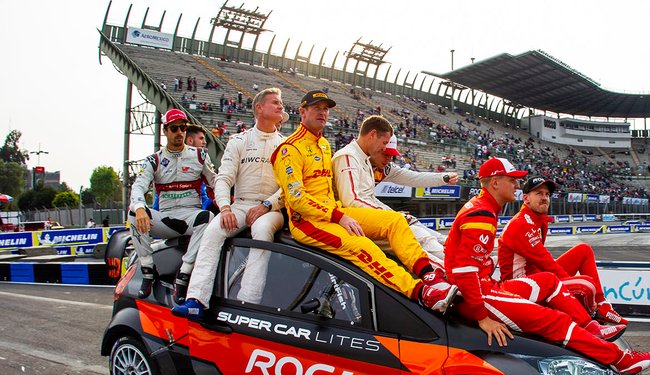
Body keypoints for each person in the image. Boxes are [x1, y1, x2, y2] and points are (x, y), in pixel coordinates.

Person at [445, 157, 650, 375]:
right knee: (556, 319)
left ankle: (592, 328)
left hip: (485, 287)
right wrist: (482, 317)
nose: (517, 186)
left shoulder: (484, 208)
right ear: (494, 182)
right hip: (478, 294)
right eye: (512, 180)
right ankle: (620, 359)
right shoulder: (482, 213)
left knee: (550, 280)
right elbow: (465, 271)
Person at [271, 90, 455, 313]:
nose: (322, 113)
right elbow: (297, 199)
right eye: (316, 108)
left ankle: (429, 276)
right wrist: (339, 216)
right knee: (363, 247)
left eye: (326, 109)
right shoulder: (288, 149)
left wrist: (337, 214)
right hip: (308, 223)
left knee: (395, 221)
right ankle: (422, 293)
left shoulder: (324, 145)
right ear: (302, 111)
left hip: (333, 213)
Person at [172, 88, 287, 318]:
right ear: (259, 108)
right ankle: (196, 299)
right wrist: (225, 207)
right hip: (241, 204)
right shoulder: (239, 140)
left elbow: (288, 187)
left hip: (271, 208)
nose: (281, 107)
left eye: (281, 103)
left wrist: (267, 204)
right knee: (214, 231)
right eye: (275, 102)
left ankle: (248, 303)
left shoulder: (286, 145)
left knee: (262, 231)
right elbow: (223, 178)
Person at [498, 177, 628, 325]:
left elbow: (542, 264)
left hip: (538, 279)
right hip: (520, 288)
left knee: (584, 250)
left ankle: (603, 306)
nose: (545, 198)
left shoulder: (537, 220)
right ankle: (591, 318)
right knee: (585, 285)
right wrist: (570, 290)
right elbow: (546, 262)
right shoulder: (521, 223)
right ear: (526, 198)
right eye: (539, 193)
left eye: (547, 194)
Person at [128, 108, 216, 300]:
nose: (179, 133)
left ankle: (183, 276)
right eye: (174, 128)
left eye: (183, 128)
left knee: (208, 217)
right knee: (133, 213)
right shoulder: (154, 160)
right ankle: (148, 271)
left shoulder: (200, 155)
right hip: (166, 219)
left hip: (190, 217)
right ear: (165, 131)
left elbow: (216, 183)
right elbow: (138, 187)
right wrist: (141, 208)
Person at [333, 132, 457, 263]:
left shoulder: (383, 167)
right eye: (385, 153)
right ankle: (452, 269)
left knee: (437, 237)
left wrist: (442, 178)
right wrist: (394, 216)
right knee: (422, 237)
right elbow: (351, 201)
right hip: (353, 221)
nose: (389, 159)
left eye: (392, 155)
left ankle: (461, 261)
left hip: (376, 218)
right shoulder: (351, 159)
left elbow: (413, 177)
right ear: (374, 147)